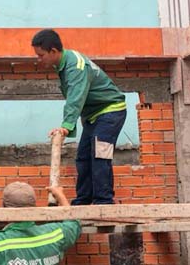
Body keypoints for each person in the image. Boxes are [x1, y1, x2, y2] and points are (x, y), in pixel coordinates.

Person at [31, 28, 127, 205]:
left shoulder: (75, 66)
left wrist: (66, 126)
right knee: (83, 157)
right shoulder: (64, 64)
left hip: (110, 112)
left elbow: (76, 97)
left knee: (100, 155)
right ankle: (83, 199)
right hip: (94, 116)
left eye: (41, 55)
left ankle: (104, 201)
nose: (38, 59)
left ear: (53, 51)